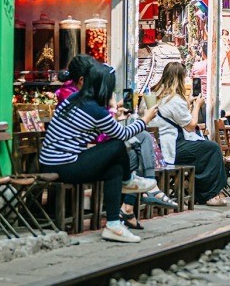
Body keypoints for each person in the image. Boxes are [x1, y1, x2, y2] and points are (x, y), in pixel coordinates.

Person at [39, 62, 162, 243]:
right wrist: (146, 119)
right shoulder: (94, 110)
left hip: (52, 162)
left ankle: (113, 225)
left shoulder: (74, 100)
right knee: (117, 145)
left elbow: (91, 130)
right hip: (64, 165)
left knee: (114, 169)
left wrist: (115, 117)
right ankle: (129, 181)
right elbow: (123, 133)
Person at [152, 62, 229, 206]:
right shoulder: (174, 100)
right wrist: (197, 106)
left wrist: (188, 103)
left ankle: (207, 192)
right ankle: (210, 194)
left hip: (158, 147)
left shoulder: (154, 96)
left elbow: (173, 116)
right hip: (173, 148)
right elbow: (191, 126)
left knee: (205, 149)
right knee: (212, 149)